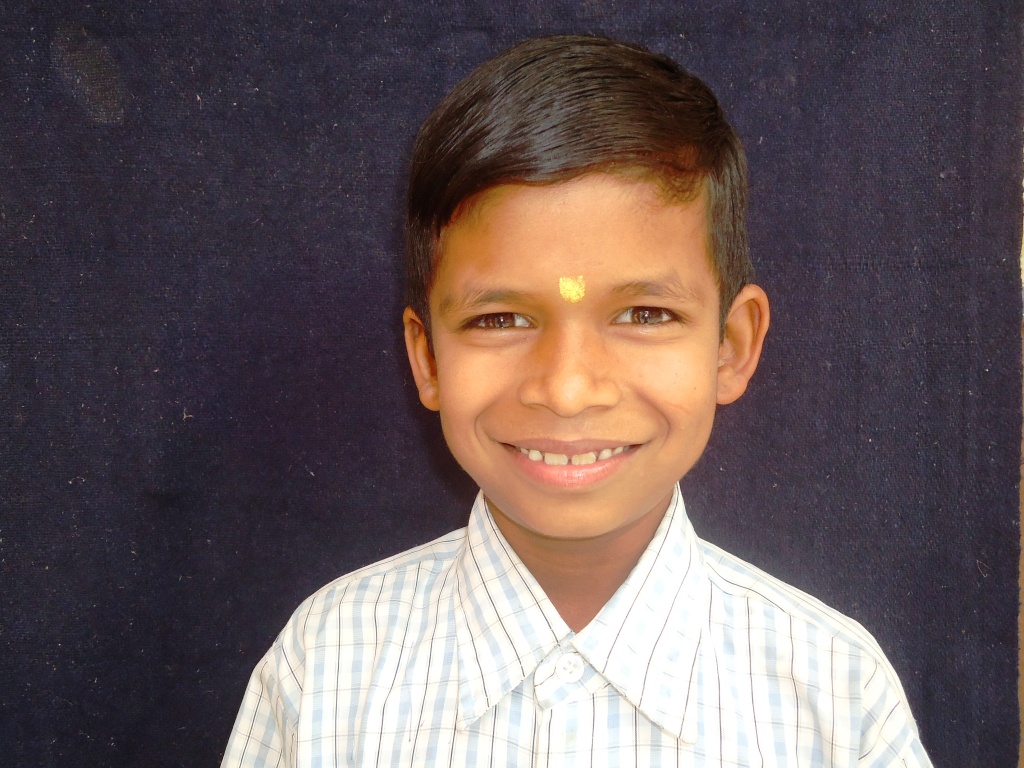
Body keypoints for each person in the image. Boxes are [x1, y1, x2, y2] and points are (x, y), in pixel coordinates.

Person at [221, 35, 932, 767]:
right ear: (427, 358)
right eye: (500, 319)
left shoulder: (837, 702)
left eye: (644, 315)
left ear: (731, 344)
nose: (566, 391)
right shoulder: (323, 671)